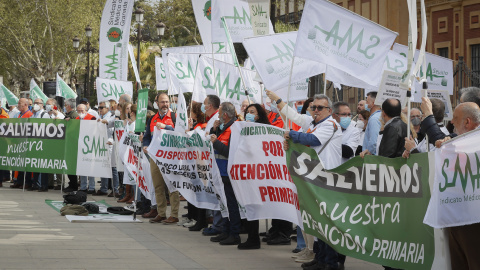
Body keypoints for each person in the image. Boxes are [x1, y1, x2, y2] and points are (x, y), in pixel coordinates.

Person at [266, 90, 342, 269]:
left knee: (326, 223)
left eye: (320, 108)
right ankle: (320, 257)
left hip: (327, 179)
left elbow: (312, 140)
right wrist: (278, 100)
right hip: (314, 178)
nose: (316, 110)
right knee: (317, 222)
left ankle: (329, 262)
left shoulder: (330, 125)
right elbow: (294, 116)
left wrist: (291, 135)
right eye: (313, 107)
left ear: (329, 110)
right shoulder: (312, 122)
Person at [435, 102, 480, 270]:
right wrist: (446, 146)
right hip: (456, 217)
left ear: (467, 122)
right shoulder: (457, 142)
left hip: (474, 220)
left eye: (455, 118)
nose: (451, 122)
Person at [237, 103, 271, 250]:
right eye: (247, 112)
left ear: (259, 116)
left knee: (253, 205)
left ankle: (253, 239)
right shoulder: (243, 128)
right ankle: (252, 237)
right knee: (248, 205)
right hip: (246, 172)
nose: (249, 114)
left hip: (258, 173)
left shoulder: (264, 131)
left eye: (253, 112)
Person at [142, 92, 180, 225]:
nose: (165, 104)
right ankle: (161, 213)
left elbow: (180, 132)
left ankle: (174, 214)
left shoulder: (175, 116)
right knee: (158, 186)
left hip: (171, 158)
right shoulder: (152, 119)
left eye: (167, 102)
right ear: (156, 103)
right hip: (155, 157)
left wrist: (166, 127)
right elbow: (147, 136)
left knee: (172, 186)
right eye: (162, 102)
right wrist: (145, 145)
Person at [209, 102, 242, 245]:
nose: (218, 115)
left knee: (232, 205)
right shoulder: (224, 128)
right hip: (221, 172)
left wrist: (216, 142)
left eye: (219, 112)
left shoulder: (234, 129)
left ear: (225, 115)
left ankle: (234, 234)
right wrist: (215, 130)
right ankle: (226, 231)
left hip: (229, 174)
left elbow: (230, 152)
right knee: (225, 204)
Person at [94, 101, 119, 197]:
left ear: (107, 108)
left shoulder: (112, 117)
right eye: (99, 108)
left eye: (101, 107)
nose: (99, 110)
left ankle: (115, 189)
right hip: (101, 144)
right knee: (102, 166)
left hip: (110, 144)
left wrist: (105, 122)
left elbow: (112, 129)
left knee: (113, 168)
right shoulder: (99, 117)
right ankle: (103, 188)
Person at [10, 98, 33, 189]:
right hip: (18, 142)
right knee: (19, 163)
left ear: (26, 105)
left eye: (20, 103)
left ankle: (27, 182)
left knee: (25, 163)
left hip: (26, 142)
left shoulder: (30, 115)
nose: (18, 104)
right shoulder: (18, 114)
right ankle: (19, 181)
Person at [76, 104, 97, 193]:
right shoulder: (76, 119)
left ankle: (91, 187)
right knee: (82, 167)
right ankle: (83, 187)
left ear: (86, 110)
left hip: (90, 146)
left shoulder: (92, 118)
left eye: (82, 110)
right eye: (79, 110)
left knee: (90, 167)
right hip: (81, 147)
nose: (81, 112)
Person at [31, 98, 50, 192]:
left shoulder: (44, 114)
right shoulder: (33, 114)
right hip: (34, 142)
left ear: (42, 105)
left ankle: (43, 185)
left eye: (37, 103)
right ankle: (35, 183)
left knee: (42, 164)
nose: (35, 104)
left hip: (43, 142)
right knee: (35, 164)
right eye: (35, 103)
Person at [63, 98, 79, 192]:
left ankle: (73, 185)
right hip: (69, 143)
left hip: (73, 144)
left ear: (69, 106)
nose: (65, 107)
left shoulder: (74, 115)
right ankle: (71, 183)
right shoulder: (69, 114)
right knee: (69, 165)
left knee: (72, 166)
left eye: (65, 105)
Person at [360, 92, 382, 157]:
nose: (365, 104)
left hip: (371, 158)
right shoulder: (379, 116)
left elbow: (373, 142)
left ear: (373, 103)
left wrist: (370, 154)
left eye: (367, 102)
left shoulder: (374, 119)